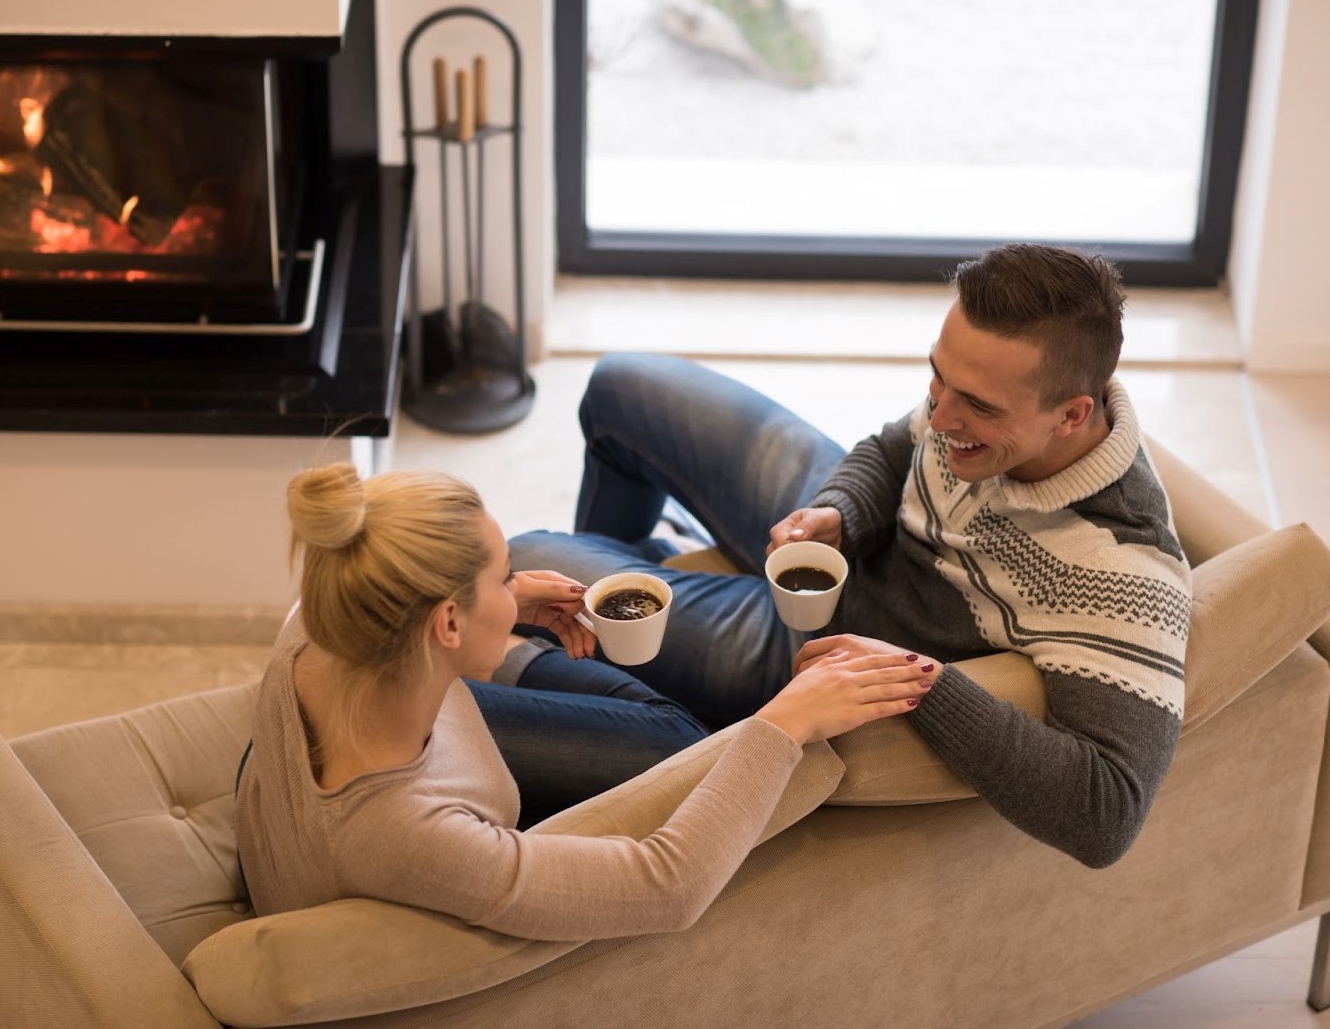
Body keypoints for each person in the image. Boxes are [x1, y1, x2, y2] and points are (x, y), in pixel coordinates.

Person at [510, 243, 1193, 869]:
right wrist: (842, 512)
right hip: (854, 546)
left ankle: (626, 669)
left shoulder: (1123, 573)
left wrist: (918, 678)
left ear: (1072, 415)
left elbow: (1106, 814)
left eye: (974, 405)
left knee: (534, 557)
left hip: (843, 638)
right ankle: (633, 621)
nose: (942, 413)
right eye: (937, 375)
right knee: (620, 384)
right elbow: (896, 449)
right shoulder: (978, 403)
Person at [233, 464, 936, 939]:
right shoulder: (402, 834)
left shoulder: (320, 624)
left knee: (670, 735)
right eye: (505, 576)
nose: (520, 585)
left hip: (367, 772)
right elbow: (668, 887)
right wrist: (784, 721)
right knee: (684, 743)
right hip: (413, 855)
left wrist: (506, 607)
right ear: (445, 625)